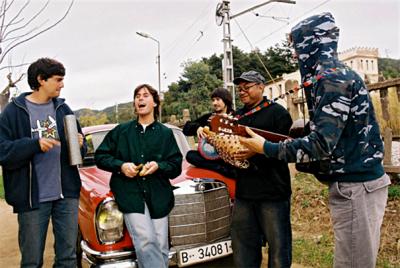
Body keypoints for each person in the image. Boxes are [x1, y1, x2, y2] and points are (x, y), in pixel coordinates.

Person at [239, 13, 390, 268]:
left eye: (297, 45)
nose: (295, 54)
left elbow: (321, 144)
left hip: (357, 186)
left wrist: (265, 147)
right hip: (357, 184)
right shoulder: (330, 75)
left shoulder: (331, 79)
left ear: (312, 43)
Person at [0, 57, 86, 267]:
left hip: (66, 195)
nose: (62, 84)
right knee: (32, 261)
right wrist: (34, 145)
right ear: (41, 79)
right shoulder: (13, 112)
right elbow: (3, 151)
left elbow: (78, 150)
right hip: (32, 199)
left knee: (67, 258)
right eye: (58, 79)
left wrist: (80, 144)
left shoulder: (63, 109)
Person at [95, 84, 182, 268]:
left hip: (159, 194)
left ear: (155, 103)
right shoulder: (121, 131)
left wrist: (159, 166)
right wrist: (122, 166)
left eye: (145, 95)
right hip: (129, 193)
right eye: (137, 96)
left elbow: (175, 166)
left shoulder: (166, 133)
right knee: (146, 240)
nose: (140, 99)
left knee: (160, 244)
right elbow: (100, 157)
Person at [230, 70, 293, 268]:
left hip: (273, 193)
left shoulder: (278, 113)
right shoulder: (237, 116)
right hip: (244, 194)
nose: (242, 92)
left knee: (278, 250)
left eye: (246, 87)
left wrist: (255, 151)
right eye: (239, 89)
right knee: (243, 249)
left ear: (261, 87)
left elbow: (288, 149)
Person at [183, 87, 236, 177]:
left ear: (226, 100)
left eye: (218, 99)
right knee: (190, 155)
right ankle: (220, 169)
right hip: (209, 157)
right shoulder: (208, 117)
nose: (214, 103)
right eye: (213, 100)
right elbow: (186, 129)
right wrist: (197, 127)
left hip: (227, 157)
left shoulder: (236, 116)